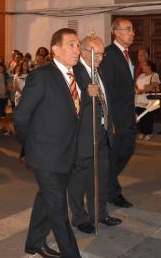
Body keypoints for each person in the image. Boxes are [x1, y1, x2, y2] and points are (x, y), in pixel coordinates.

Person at [14, 28, 82, 258]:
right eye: (71, 44)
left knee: (46, 200)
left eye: (78, 45)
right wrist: (32, 146)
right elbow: (21, 116)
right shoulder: (42, 75)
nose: (77, 49)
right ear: (56, 49)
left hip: (65, 152)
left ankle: (34, 243)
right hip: (45, 155)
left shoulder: (75, 76)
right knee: (59, 211)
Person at [68, 35, 121, 235]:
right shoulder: (76, 72)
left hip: (101, 133)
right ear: (83, 52)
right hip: (83, 135)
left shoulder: (99, 71)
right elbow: (70, 103)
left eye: (102, 54)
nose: (100, 57)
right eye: (96, 53)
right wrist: (84, 94)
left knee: (100, 177)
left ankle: (99, 213)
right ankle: (79, 217)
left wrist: (109, 123)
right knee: (79, 179)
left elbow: (106, 99)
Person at [99, 17, 136, 209]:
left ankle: (106, 183)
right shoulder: (109, 54)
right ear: (117, 32)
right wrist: (109, 119)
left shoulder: (128, 55)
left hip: (127, 115)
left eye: (132, 29)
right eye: (128, 29)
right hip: (116, 118)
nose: (133, 33)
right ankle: (111, 192)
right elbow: (106, 89)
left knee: (127, 150)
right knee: (115, 155)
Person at [135, 60, 160, 141]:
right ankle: (142, 132)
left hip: (149, 100)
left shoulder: (154, 75)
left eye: (145, 65)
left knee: (148, 117)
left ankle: (149, 133)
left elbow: (154, 85)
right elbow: (135, 84)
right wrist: (136, 90)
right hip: (139, 99)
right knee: (140, 117)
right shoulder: (141, 75)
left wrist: (142, 90)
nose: (143, 67)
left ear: (149, 66)